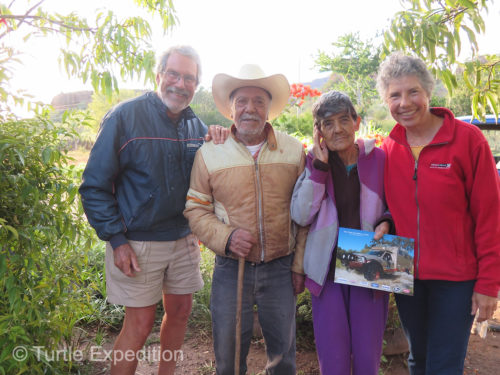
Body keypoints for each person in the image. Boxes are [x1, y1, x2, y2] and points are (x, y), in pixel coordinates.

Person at [79, 45, 227, 375]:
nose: (181, 83)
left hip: (183, 239)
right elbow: (93, 186)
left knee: (180, 311)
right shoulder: (125, 117)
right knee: (140, 323)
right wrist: (117, 240)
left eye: (190, 78)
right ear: (158, 76)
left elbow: (208, 182)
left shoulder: (194, 125)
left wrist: (218, 138)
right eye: (174, 74)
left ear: (196, 85)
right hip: (137, 241)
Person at [376, 53, 500, 375]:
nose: (405, 102)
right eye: (395, 95)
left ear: (429, 92)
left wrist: (488, 284)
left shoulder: (468, 141)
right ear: (386, 100)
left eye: (413, 91)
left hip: (456, 280)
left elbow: (490, 216)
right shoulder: (388, 149)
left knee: (444, 365)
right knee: (418, 358)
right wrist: (385, 219)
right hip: (405, 274)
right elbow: (393, 202)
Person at [184, 64, 307, 375]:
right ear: (231, 108)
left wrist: (298, 265)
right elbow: (195, 208)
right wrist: (226, 237)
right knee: (228, 356)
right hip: (230, 269)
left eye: (258, 101)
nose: (250, 109)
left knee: (283, 359)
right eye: (242, 101)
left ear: (268, 108)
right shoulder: (210, 153)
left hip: (280, 268)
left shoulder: (293, 151)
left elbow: (305, 214)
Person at [290, 91, 392, 375]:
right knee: (333, 358)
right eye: (328, 123)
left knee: (366, 357)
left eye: (344, 120)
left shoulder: (379, 159)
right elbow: (300, 214)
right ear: (318, 131)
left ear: (357, 122)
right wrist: (320, 169)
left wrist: (388, 220)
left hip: (371, 263)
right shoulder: (314, 162)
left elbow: (397, 203)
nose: (337, 130)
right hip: (327, 271)